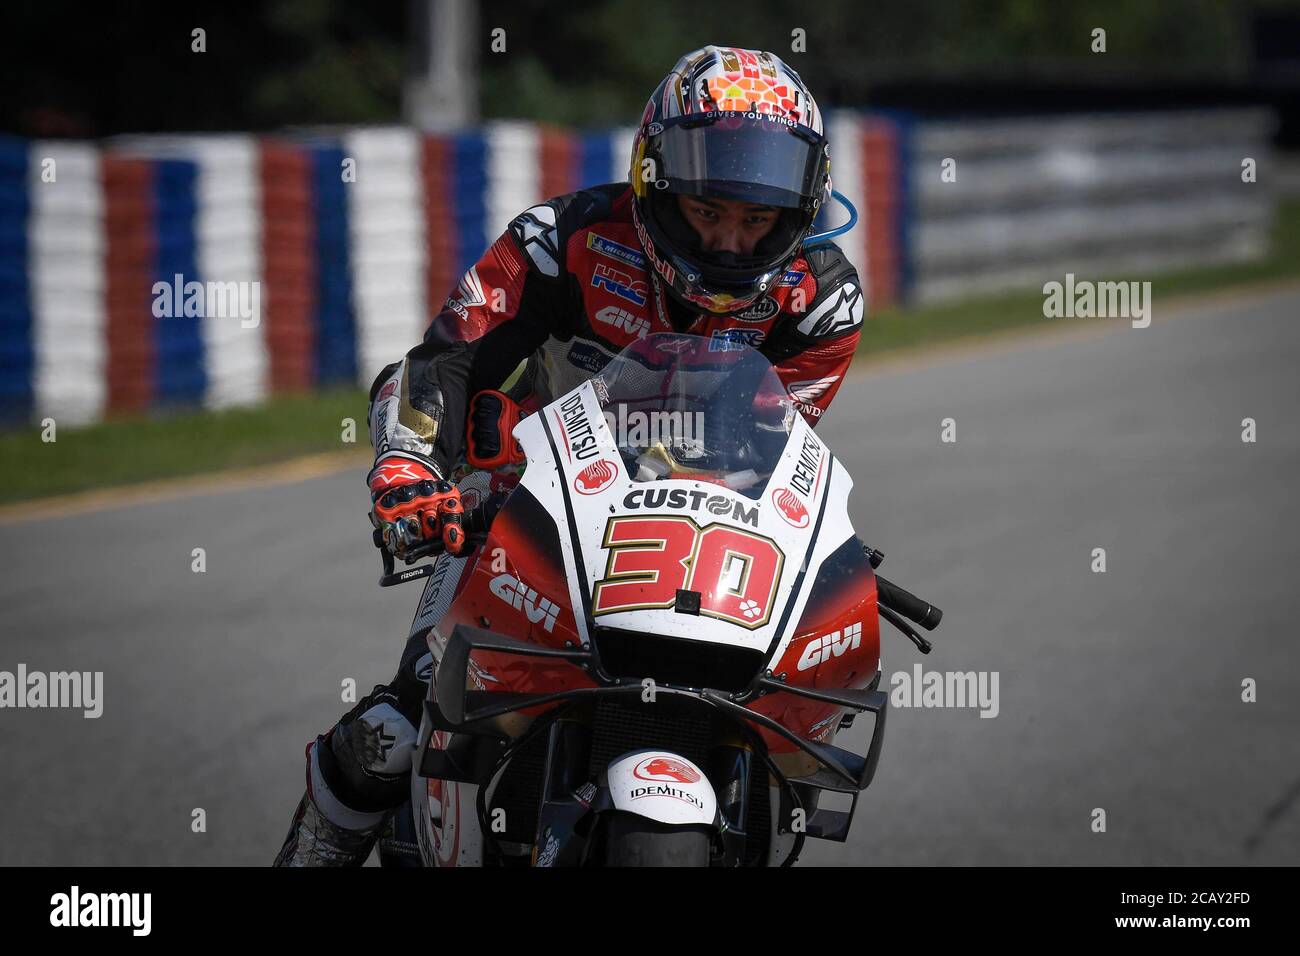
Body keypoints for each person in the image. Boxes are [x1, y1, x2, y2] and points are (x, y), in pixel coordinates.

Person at [274, 44, 866, 866]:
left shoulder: (822, 305)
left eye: (757, 218)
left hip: (701, 548)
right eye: (708, 211)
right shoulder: (562, 241)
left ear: (799, 211)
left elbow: (778, 454)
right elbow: (445, 361)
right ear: (656, 184)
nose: (732, 241)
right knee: (390, 734)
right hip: (524, 521)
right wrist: (409, 470)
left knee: (787, 721)